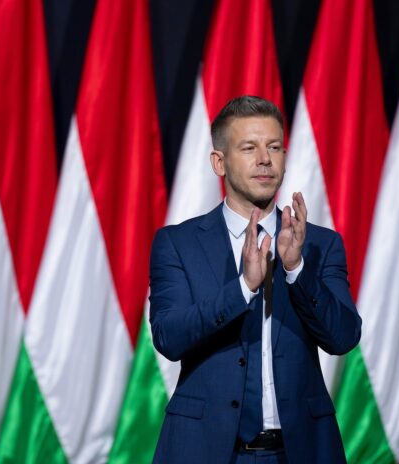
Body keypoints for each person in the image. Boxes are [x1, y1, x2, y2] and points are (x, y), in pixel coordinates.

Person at [149, 95, 361, 463]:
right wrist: (243, 287)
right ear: (219, 162)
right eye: (249, 148)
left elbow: (343, 337)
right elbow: (169, 337)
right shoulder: (177, 244)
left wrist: (296, 270)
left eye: (274, 147)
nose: (265, 159)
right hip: (205, 450)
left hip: (299, 451)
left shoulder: (320, 245)